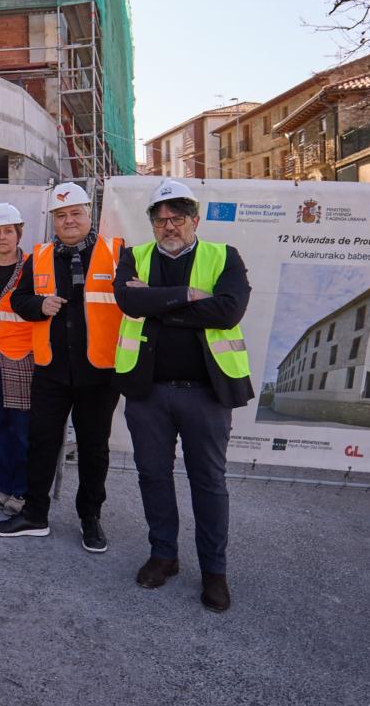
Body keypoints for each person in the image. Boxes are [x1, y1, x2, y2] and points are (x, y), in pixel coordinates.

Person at [112, 178, 253, 613]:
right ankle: (163, 556)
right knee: (152, 476)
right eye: (161, 219)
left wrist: (159, 306)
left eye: (177, 219)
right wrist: (189, 297)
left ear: (195, 220)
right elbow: (129, 305)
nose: (169, 226)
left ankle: (214, 572)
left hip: (206, 394)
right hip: (147, 393)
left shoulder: (223, 256)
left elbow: (228, 311)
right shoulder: (133, 257)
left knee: (208, 483)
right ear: (152, 223)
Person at [0, 182, 124, 552]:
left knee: (94, 448)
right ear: (52, 220)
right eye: (61, 215)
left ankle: (90, 519)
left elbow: (131, 301)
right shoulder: (41, 255)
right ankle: (35, 514)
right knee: (42, 444)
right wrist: (39, 307)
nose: (68, 221)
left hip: (100, 371)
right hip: (50, 369)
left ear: (89, 215)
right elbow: (19, 299)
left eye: (75, 213)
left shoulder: (116, 253)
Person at [0, 202, 50, 515]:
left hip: (21, 356)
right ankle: (4, 485)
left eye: (8, 231)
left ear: (19, 233)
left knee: (22, 428)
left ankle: (23, 490)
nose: (2, 237)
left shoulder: (34, 266)